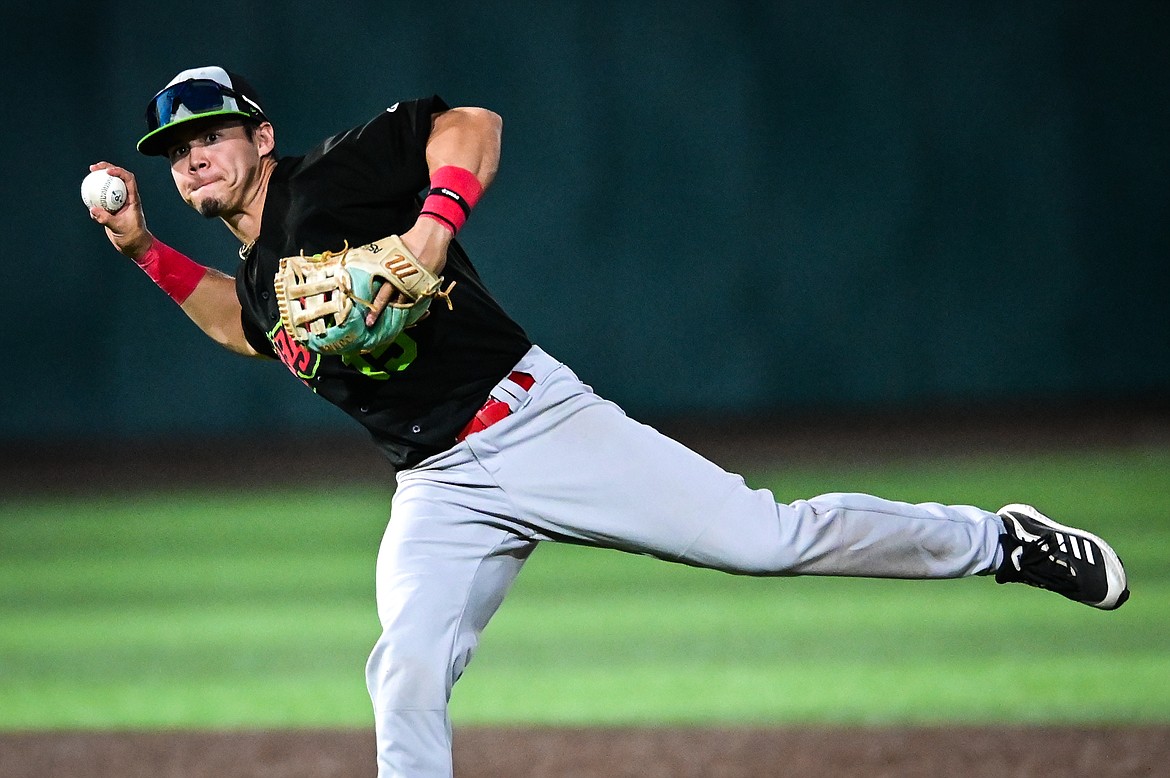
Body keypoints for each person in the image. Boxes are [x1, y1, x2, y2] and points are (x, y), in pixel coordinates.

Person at [88, 66, 1130, 778]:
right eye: (175, 150)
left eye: (209, 135)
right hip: (436, 485)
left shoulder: (329, 181)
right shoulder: (265, 270)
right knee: (405, 665)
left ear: (258, 136)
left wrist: (434, 224)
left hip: (535, 421)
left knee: (769, 539)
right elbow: (243, 325)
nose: (191, 159)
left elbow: (472, 127)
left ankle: (1002, 540)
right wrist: (139, 247)